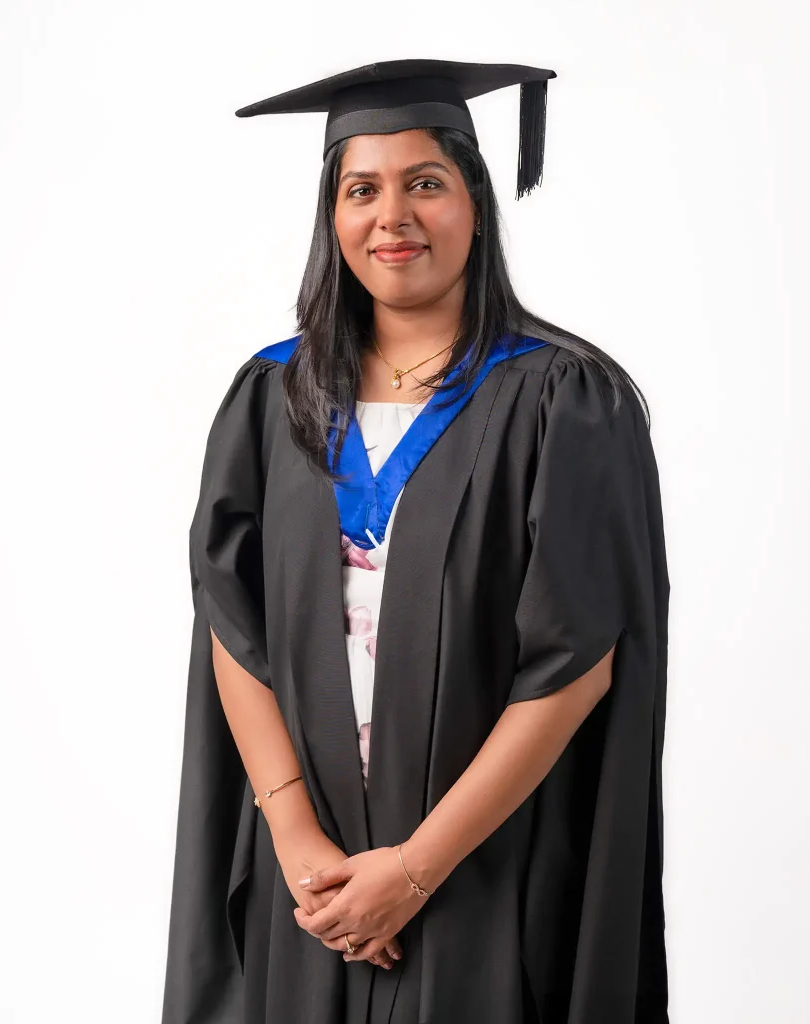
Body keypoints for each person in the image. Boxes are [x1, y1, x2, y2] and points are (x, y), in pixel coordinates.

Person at [161, 59, 671, 1024]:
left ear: (475, 202)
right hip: (310, 879)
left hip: (484, 867)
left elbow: (575, 664)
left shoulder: (560, 399)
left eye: (424, 183)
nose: (391, 216)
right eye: (362, 190)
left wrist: (413, 870)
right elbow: (232, 625)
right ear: (332, 215)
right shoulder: (271, 397)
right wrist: (298, 844)